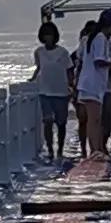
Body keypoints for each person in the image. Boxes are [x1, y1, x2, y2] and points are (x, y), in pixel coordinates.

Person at [73, 16, 111, 157]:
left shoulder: (94, 38)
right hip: (92, 85)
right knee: (94, 119)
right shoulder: (100, 38)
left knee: (95, 119)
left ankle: (96, 149)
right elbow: (99, 61)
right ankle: (95, 150)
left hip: (92, 84)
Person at [32, 13, 72, 161]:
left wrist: (71, 86)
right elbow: (39, 68)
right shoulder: (39, 52)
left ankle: (60, 149)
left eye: (50, 34)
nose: (48, 37)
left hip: (61, 91)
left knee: (61, 123)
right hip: (45, 90)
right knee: (47, 121)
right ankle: (50, 149)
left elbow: (69, 70)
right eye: (45, 35)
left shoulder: (63, 53)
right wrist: (32, 79)